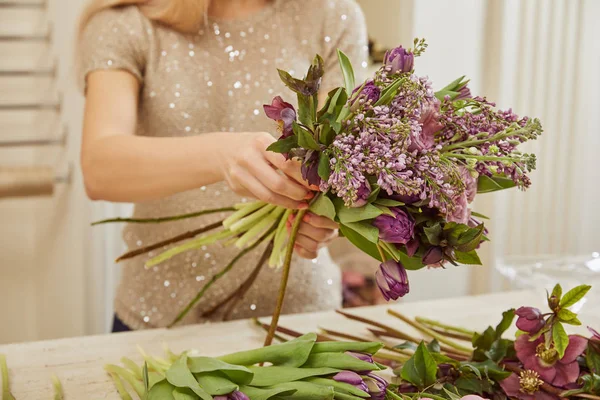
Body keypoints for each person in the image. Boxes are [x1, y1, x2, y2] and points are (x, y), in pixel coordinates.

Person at [77, 0, 368, 331]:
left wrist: (323, 218)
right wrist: (222, 155)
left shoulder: (332, 15)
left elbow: (342, 162)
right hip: (159, 326)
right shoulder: (127, 23)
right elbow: (99, 168)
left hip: (302, 326)